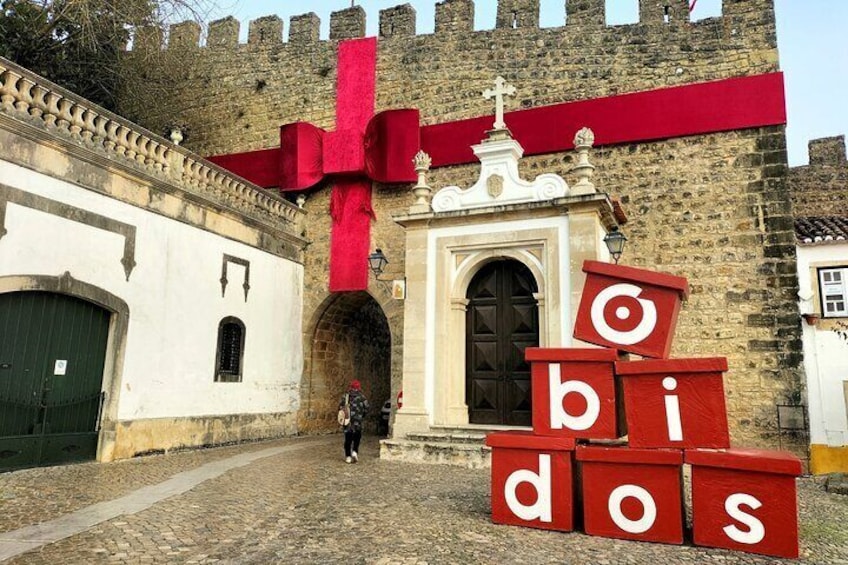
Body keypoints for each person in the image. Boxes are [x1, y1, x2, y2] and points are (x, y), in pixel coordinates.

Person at [339, 380, 369, 463]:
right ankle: (355, 451)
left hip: (347, 421)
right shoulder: (362, 398)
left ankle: (348, 456)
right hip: (357, 421)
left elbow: (340, 408)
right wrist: (362, 416)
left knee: (348, 439)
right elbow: (366, 409)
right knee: (357, 437)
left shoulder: (345, 397)